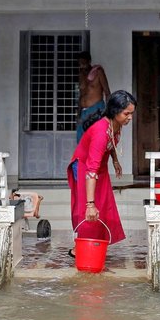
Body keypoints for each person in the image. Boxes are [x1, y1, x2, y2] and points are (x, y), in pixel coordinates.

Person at [67, 90, 137, 254]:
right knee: (88, 207)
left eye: (131, 113)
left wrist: (114, 160)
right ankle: (79, 249)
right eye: (127, 113)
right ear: (115, 111)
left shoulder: (117, 124)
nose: (130, 118)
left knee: (104, 205)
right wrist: (90, 204)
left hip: (100, 165)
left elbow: (111, 142)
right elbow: (91, 170)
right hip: (85, 166)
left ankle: (95, 245)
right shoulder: (100, 132)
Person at [77, 50, 123, 177]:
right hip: (84, 112)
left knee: (100, 140)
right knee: (82, 143)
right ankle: (82, 173)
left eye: (83, 62)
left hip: (97, 110)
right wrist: (78, 114)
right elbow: (81, 95)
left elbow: (107, 92)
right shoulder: (81, 74)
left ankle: (97, 171)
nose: (81, 65)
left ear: (89, 61)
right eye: (79, 63)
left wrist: (109, 111)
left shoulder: (98, 72)